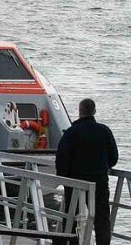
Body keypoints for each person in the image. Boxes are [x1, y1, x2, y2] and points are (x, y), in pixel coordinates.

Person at [55, 98, 118, 245]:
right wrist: (102, 167)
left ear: (79, 111)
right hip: (99, 181)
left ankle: (73, 242)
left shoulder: (71, 132)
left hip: (75, 182)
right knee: (101, 218)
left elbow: (62, 158)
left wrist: (64, 178)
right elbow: (114, 157)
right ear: (94, 111)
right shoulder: (104, 131)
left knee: (72, 218)